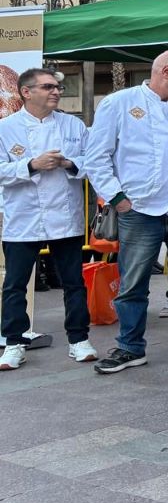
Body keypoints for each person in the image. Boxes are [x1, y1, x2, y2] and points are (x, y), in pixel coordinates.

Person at [83, 50, 168, 375]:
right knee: (132, 283)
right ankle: (130, 347)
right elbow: (96, 156)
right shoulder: (119, 104)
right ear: (166, 72)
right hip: (138, 211)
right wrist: (118, 199)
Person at [0, 68, 96, 370]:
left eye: (57, 87)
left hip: (64, 216)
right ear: (26, 92)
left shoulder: (73, 125)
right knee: (14, 284)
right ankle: (14, 343)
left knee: (74, 283)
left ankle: (79, 340)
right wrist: (30, 164)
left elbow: (92, 161)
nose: (56, 91)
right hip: (23, 217)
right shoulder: (6, 128)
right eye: (48, 87)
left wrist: (68, 163)